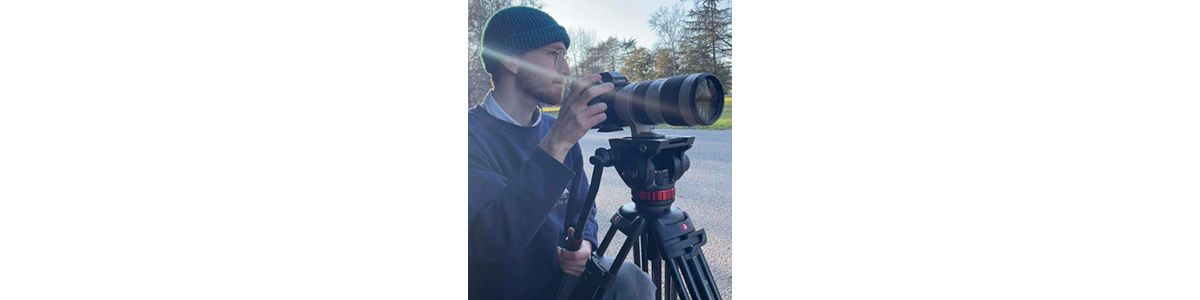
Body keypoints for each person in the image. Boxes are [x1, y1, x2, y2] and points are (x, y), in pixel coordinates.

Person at [467, 6, 657, 300]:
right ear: (511, 61)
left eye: (564, 56)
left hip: (562, 285)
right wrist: (557, 142)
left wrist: (586, 244)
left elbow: (582, 209)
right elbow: (493, 241)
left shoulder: (554, 127)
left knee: (632, 281)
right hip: (499, 291)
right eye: (553, 54)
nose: (566, 69)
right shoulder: (469, 136)